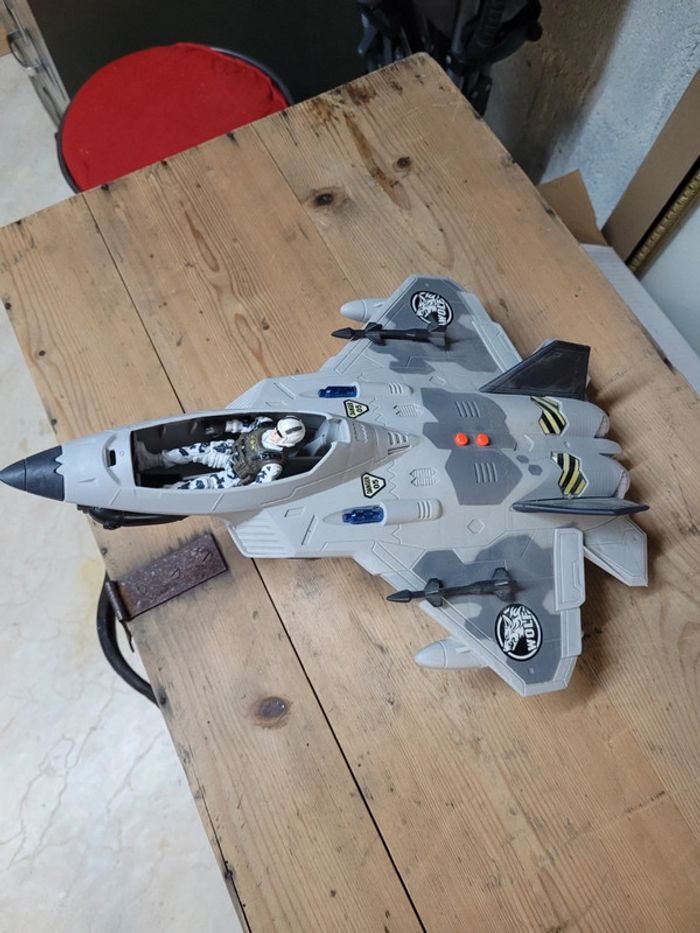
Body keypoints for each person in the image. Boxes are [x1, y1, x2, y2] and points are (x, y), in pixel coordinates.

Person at [136, 415, 306, 490]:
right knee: (193, 450)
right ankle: (152, 461)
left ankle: (164, 493)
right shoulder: (265, 424)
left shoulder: (273, 464)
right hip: (230, 451)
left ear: (288, 442)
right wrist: (225, 426)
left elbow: (257, 488)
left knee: (201, 486)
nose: (274, 434)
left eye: (280, 435)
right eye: (277, 429)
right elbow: (245, 426)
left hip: (235, 476)